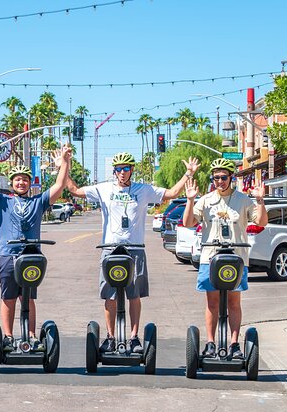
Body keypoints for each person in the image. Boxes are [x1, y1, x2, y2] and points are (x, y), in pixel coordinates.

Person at [60, 149, 199, 353]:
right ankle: (110, 337)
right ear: (114, 171)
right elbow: (74, 190)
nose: (122, 172)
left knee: (134, 295)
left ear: (132, 170)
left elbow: (171, 194)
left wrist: (188, 174)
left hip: (135, 249)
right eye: (118, 169)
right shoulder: (104, 189)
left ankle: (134, 337)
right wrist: (64, 164)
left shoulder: (143, 190)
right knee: (110, 295)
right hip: (110, 249)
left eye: (126, 168)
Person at [0, 145, 71, 352]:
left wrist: (65, 162)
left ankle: (32, 336)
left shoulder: (38, 201)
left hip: (31, 257)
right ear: (12, 183)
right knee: (8, 297)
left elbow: (59, 186)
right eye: (17, 179)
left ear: (30, 182)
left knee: (28, 297)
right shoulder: (2, 201)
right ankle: (7, 336)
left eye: (24, 179)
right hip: (7, 255)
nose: (21, 182)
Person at [182, 158, 267, 359]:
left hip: (236, 259)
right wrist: (190, 200)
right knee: (212, 302)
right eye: (216, 177)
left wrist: (260, 200)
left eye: (223, 177)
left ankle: (235, 344)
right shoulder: (205, 200)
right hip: (210, 258)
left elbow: (261, 221)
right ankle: (210, 343)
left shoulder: (243, 200)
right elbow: (188, 223)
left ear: (231, 178)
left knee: (234, 302)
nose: (219, 181)